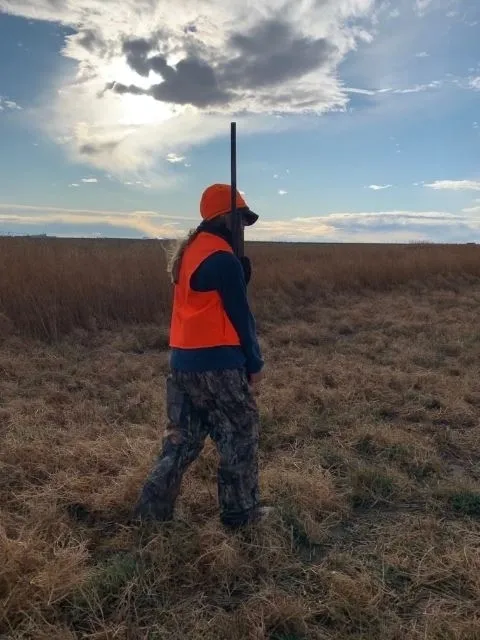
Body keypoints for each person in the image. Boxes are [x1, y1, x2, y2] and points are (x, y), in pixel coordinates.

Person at [133, 184, 270, 529]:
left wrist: (239, 276)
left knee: (181, 442)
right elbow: (241, 316)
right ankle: (241, 516)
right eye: (240, 219)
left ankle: (151, 515)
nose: (243, 227)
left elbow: (208, 304)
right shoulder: (223, 259)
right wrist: (254, 363)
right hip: (219, 365)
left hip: (182, 364)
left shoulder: (191, 251)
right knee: (239, 436)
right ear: (224, 218)